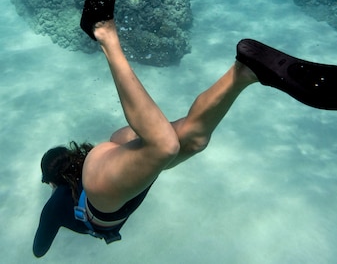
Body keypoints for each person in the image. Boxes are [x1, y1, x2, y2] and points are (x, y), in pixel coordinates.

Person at [33, 19, 258, 257]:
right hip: (113, 171)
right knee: (192, 141)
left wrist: (54, 193)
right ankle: (243, 73)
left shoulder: (58, 200)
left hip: (100, 195)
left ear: (52, 178)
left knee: (164, 146)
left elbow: (39, 249)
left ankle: (108, 38)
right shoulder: (94, 171)